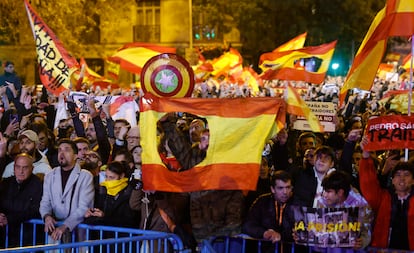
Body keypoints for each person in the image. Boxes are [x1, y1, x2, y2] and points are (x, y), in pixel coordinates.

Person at [360, 137, 414, 250]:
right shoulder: (383, 197)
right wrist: (365, 156)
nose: (402, 179)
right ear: (393, 180)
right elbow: (368, 183)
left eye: (407, 174)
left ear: (413, 180)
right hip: (383, 249)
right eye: (398, 175)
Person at [39, 138, 94, 244]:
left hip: (76, 230)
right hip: (55, 231)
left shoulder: (85, 176)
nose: (62, 153)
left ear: (75, 155)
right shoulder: (50, 175)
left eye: (67, 150)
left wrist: (65, 226)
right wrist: (46, 216)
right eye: (60, 150)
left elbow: (84, 207)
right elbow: (45, 201)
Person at [315, 170, 372, 250]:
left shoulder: (361, 205)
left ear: (340, 192)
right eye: (324, 190)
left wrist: (361, 242)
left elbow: (366, 231)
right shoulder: (322, 200)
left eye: (328, 191)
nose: (324, 195)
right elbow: (316, 226)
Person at [242, 170, 294, 252]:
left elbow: (301, 230)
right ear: (272, 189)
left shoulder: (296, 203)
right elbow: (248, 225)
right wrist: (264, 233)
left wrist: (281, 236)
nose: (285, 192)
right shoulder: (262, 202)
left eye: (288, 187)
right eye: (280, 188)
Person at [0, 153, 43, 248]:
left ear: (32, 169)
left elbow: (35, 210)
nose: (21, 171)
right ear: (14, 168)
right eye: (18, 167)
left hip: (28, 239)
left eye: (25, 168)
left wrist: (10, 219)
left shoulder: (38, 185)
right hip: (6, 237)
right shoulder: (6, 184)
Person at [85, 161, 138, 227]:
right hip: (105, 233)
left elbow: (129, 218)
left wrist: (104, 216)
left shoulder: (128, 191)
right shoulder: (103, 190)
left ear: (121, 176)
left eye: (111, 177)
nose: (108, 180)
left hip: (122, 233)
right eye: (106, 177)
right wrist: (92, 214)